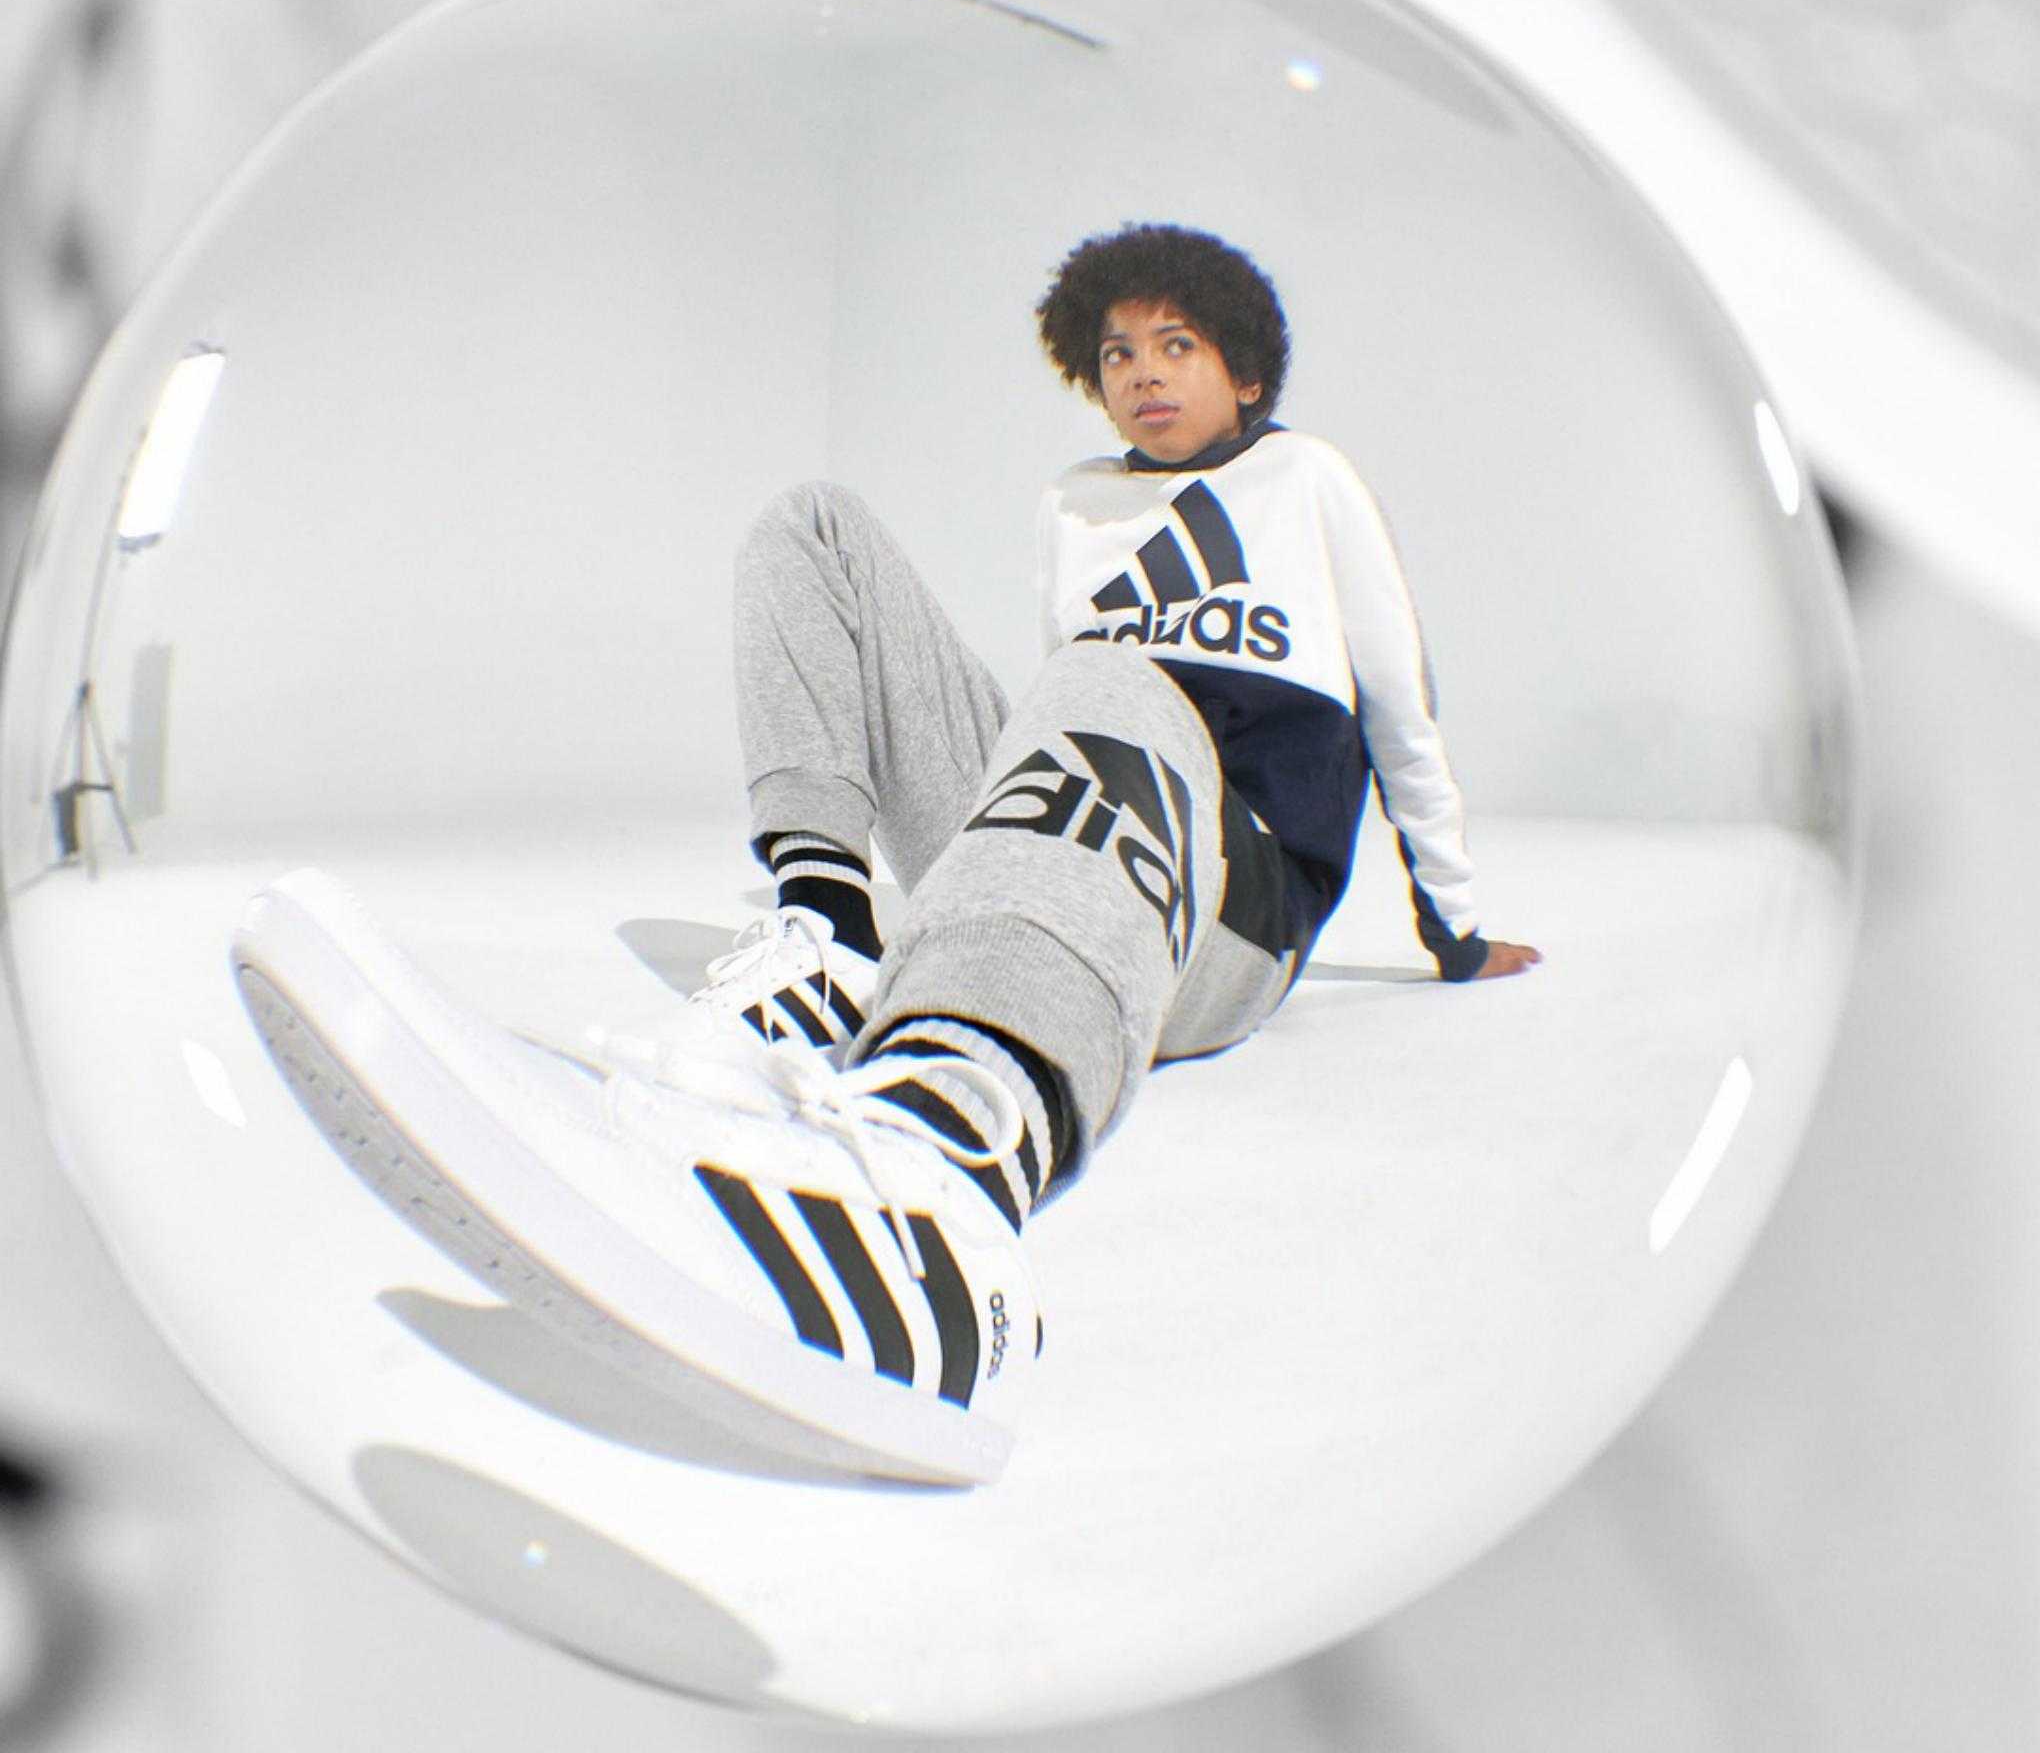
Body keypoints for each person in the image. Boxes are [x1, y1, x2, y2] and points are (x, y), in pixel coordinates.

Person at [232, 222, 1538, 1487]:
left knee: (1111, 679)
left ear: (1246, 372)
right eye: (1117, 352)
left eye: (1177, 345)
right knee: (817, 528)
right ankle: (829, 944)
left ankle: (942, 1178)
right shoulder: (1075, 505)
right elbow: (1051, 735)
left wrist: (1453, 926)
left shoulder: (1308, 483)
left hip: (1223, 912)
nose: (1142, 372)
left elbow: (1400, 710)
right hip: (1074, 848)